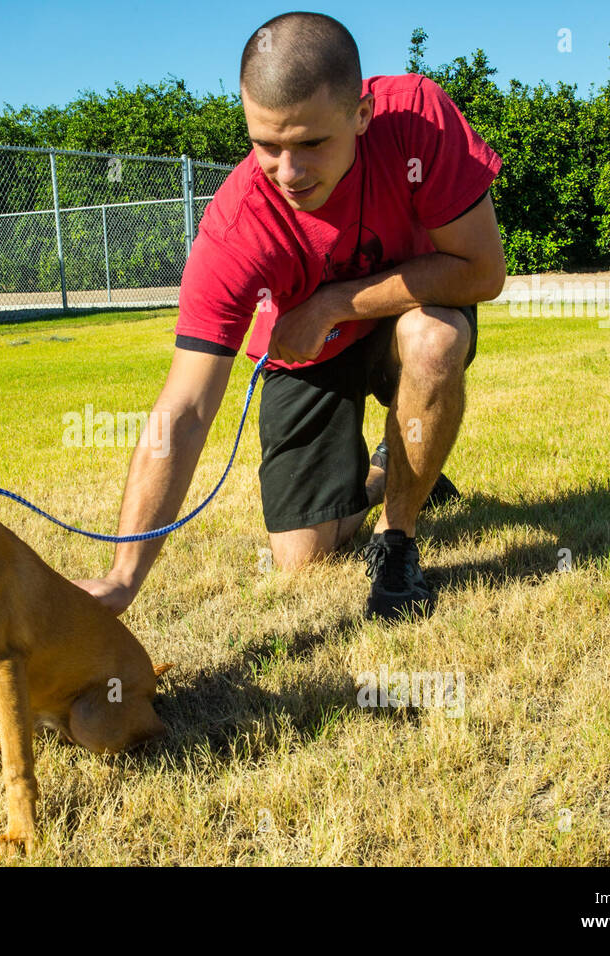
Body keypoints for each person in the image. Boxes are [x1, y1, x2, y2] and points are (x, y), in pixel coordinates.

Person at [74, 11, 506, 622]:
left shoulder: (417, 118)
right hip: (307, 354)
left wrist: (331, 303)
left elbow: (482, 271)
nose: (288, 172)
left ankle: (397, 540)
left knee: (433, 340)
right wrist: (122, 577)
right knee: (301, 556)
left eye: (311, 143)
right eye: (266, 145)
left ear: (361, 114)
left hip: (407, 315)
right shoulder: (232, 231)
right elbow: (187, 406)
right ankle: (399, 472)